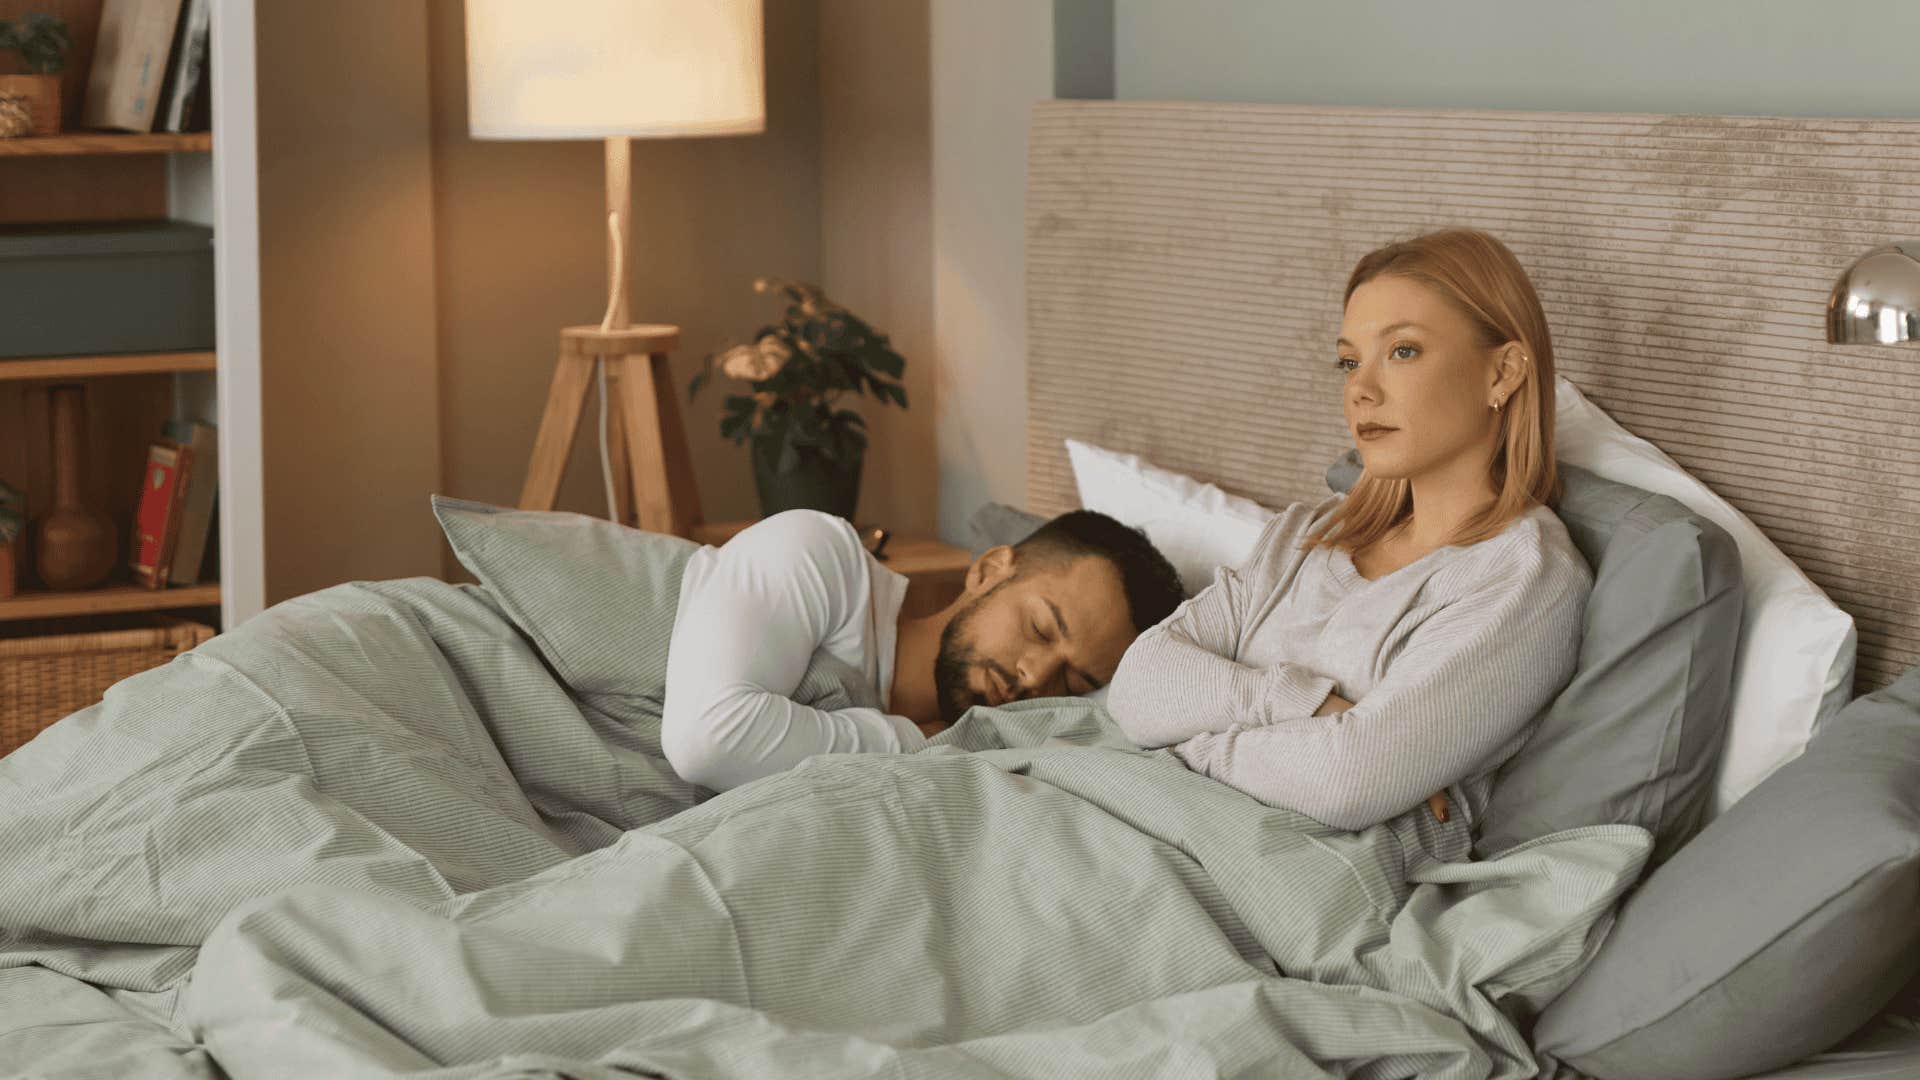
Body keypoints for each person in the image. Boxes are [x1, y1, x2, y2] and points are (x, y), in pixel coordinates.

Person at [1105, 228, 1594, 835]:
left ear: (1503, 373)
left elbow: (1345, 780)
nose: (1360, 390)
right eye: (1349, 360)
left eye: (1404, 351)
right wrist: (1304, 707)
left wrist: (1182, 747)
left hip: (1274, 867)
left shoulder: (1522, 578)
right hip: (1144, 818)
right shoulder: (1307, 535)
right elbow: (1136, 686)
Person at [662, 507, 1186, 793]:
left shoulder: (973, 757)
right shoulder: (820, 555)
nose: (1035, 675)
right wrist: (908, 739)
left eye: (1073, 681)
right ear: (987, 571)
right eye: (1042, 629)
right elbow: (705, 739)